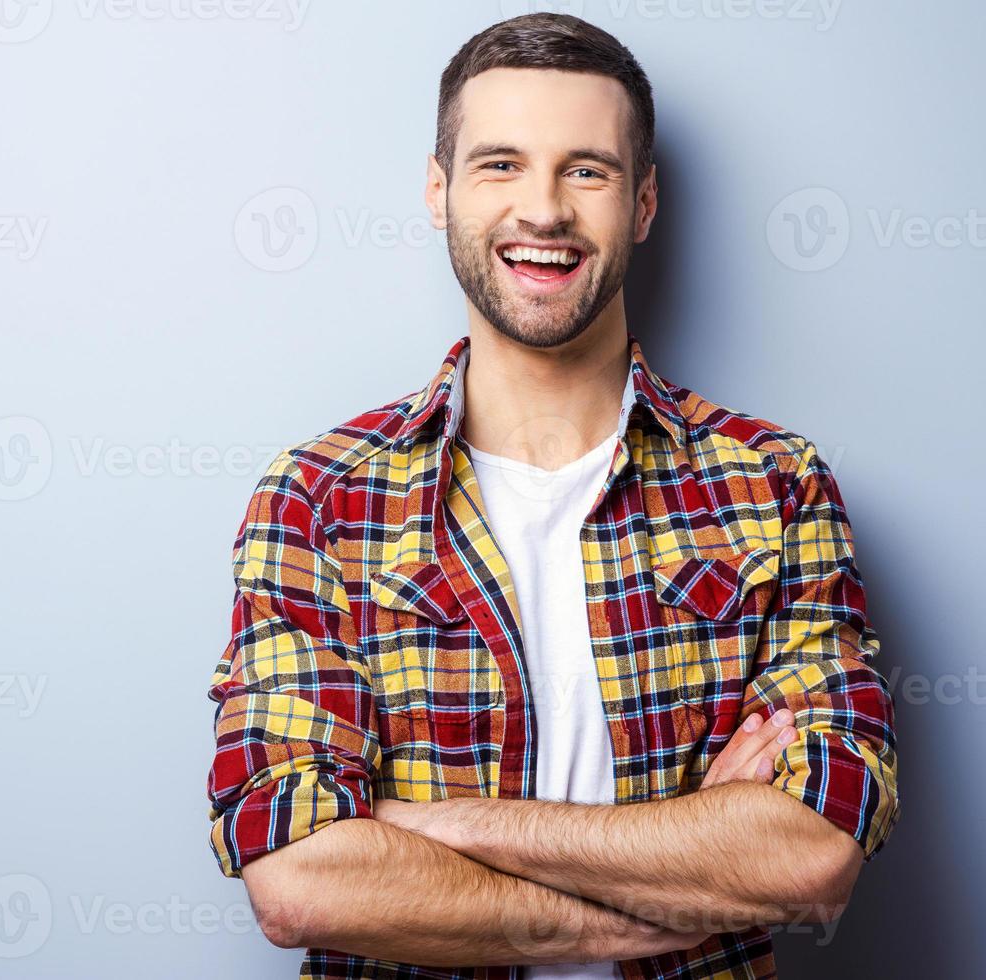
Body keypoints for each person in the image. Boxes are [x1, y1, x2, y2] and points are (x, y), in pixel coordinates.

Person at [205, 13, 898, 979]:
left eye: (587, 170)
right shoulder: (319, 499)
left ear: (643, 202)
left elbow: (811, 853)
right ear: (439, 193)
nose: (543, 210)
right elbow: (299, 879)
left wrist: (426, 826)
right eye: (499, 165)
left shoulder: (772, 485)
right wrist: (673, 883)